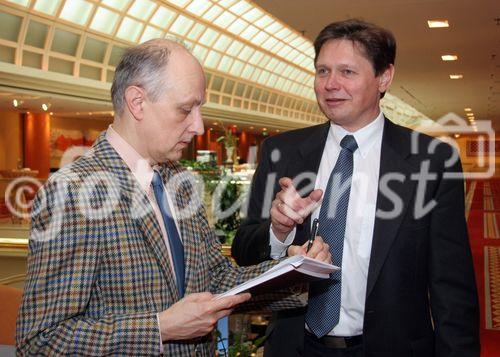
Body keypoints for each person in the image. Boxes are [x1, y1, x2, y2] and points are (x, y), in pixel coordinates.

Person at [16, 39, 331, 356]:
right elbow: (42, 341)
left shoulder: (179, 181)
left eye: (199, 108)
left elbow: (217, 280)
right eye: (185, 109)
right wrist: (159, 328)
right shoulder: (72, 193)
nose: (198, 125)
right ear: (137, 102)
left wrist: (293, 270)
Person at [232, 19, 480, 357]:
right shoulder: (283, 153)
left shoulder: (431, 161)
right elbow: (244, 250)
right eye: (322, 71)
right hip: (297, 346)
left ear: (384, 78)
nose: (331, 84)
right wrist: (278, 231)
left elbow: (452, 285)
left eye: (347, 72)